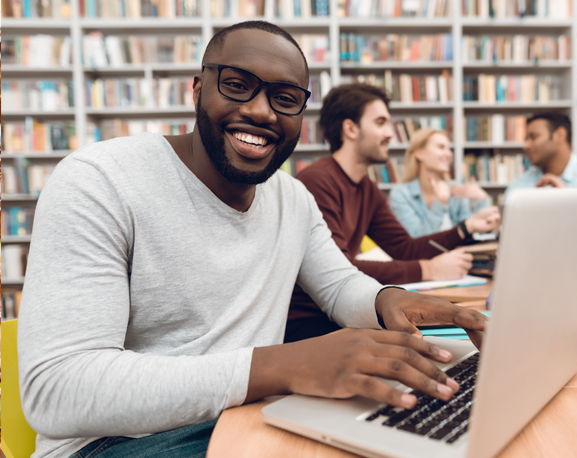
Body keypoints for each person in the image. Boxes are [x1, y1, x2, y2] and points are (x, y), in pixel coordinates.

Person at [17, 22, 487, 458]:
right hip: (112, 444)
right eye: (237, 85)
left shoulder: (293, 199)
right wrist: (281, 366)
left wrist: (387, 300)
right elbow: (56, 390)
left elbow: (340, 285)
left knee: (428, 422)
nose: (261, 111)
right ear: (197, 90)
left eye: (285, 98)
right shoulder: (99, 181)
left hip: (244, 414)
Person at [286, 83, 499, 342]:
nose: (391, 134)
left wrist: (466, 227)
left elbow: (403, 247)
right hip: (310, 323)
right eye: (380, 122)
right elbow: (341, 269)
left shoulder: (367, 188)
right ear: (350, 128)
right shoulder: (318, 181)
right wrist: (428, 269)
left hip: (344, 315)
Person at [389, 129, 495, 237]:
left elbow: (472, 234)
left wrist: (482, 200)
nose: (449, 154)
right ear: (419, 153)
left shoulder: (456, 192)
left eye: (449, 149)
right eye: (441, 147)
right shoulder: (401, 194)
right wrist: (439, 204)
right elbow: (416, 241)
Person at [506, 112, 577, 196]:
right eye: (526, 140)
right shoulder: (518, 187)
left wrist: (568, 198)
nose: (526, 146)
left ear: (560, 135)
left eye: (534, 137)